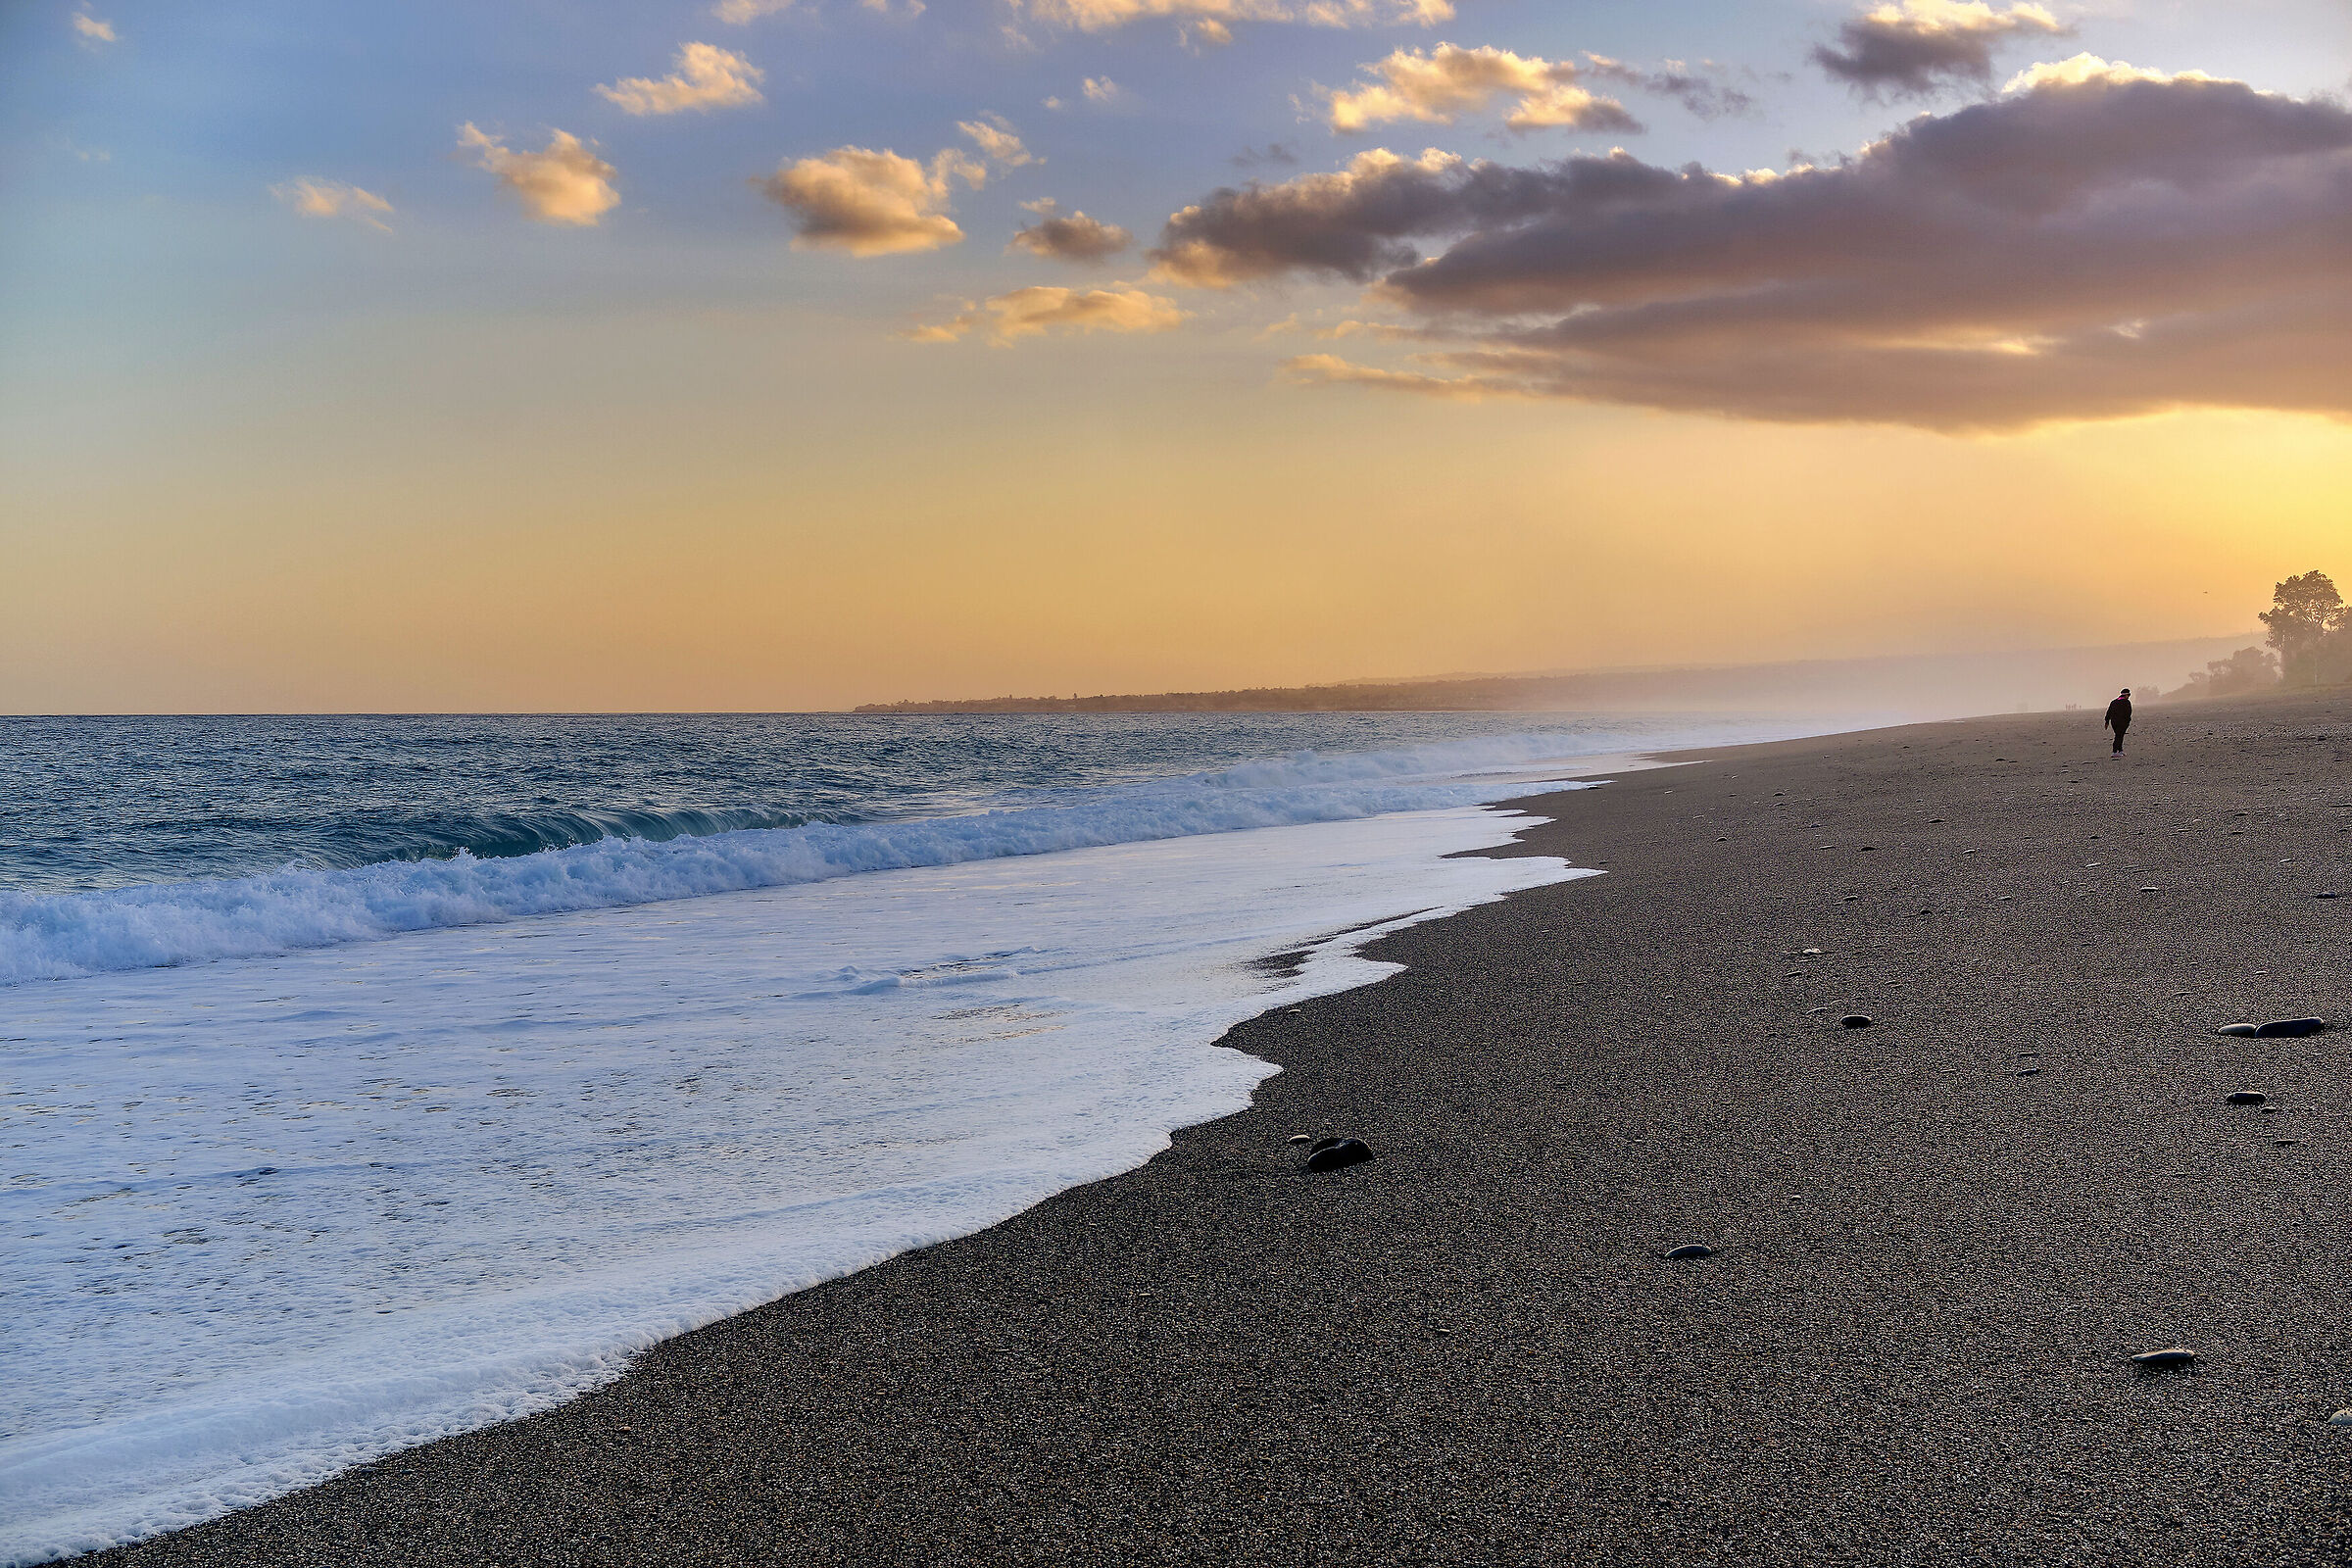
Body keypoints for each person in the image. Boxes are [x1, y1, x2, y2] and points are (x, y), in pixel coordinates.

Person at [2103, 688, 2132, 755]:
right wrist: (2128, 721)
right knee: (2119, 736)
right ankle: (2114, 752)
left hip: (2114, 722)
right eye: (2128, 695)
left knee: (2119, 735)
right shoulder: (2126, 702)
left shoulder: (2113, 702)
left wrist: (2107, 721)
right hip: (2122, 722)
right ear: (2126, 695)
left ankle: (2120, 750)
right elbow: (2128, 713)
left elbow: (2109, 712)